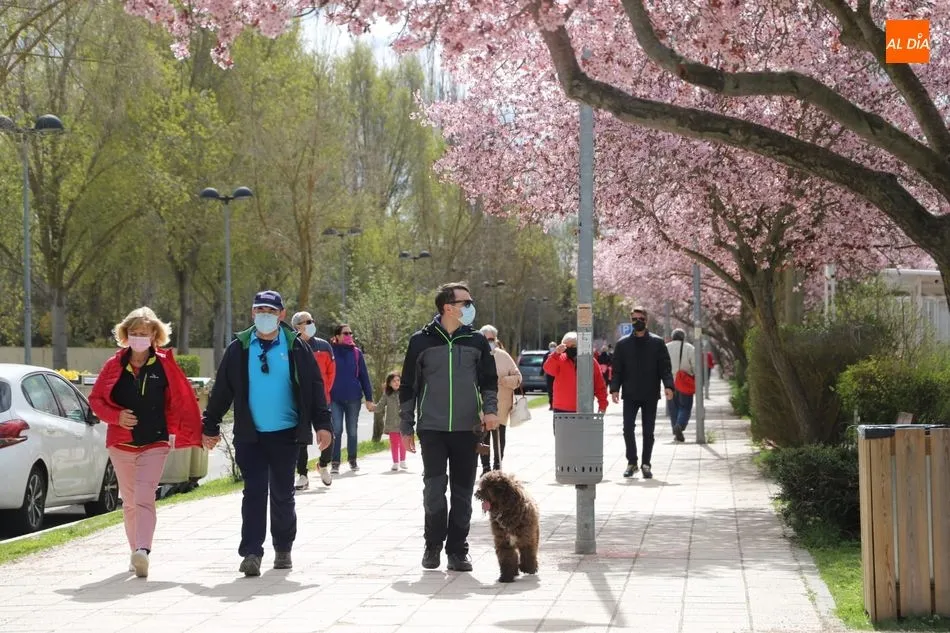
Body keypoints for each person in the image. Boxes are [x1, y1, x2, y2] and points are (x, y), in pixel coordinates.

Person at [201, 290, 332, 577]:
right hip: (251, 435)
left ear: (282, 315)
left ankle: (283, 547)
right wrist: (209, 426)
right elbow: (222, 390)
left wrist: (323, 424)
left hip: (286, 434)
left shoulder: (297, 346)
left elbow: (314, 388)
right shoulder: (239, 348)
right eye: (259, 310)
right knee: (254, 493)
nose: (264, 316)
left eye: (271, 311)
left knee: (283, 494)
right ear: (252, 313)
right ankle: (251, 552)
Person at [89, 307, 202, 578]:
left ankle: (143, 550)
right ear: (126, 335)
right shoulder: (114, 364)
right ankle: (135, 553)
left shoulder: (164, 365)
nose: (139, 337)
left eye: (144, 333)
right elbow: (95, 401)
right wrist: (116, 416)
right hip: (121, 443)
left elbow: (181, 399)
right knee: (128, 501)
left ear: (154, 335)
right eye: (134, 333)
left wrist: (193, 431)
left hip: (155, 441)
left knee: (144, 495)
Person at [399, 282, 499, 572]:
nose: (470, 307)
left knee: (462, 491)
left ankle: (458, 550)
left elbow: (488, 381)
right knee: (433, 489)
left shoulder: (477, 341)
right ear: (448, 307)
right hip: (432, 427)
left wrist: (490, 411)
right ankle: (432, 545)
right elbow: (408, 386)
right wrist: (406, 426)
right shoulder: (421, 341)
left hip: (468, 428)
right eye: (465, 303)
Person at [610, 307, 674, 480]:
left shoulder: (657, 343)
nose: (637, 322)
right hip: (629, 394)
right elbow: (617, 370)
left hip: (650, 393)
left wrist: (669, 386)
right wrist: (614, 389)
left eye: (641, 319)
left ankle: (646, 463)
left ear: (647, 321)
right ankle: (632, 462)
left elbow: (665, 368)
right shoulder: (622, 344)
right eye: (634, 319)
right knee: (628, 429)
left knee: (648, 431)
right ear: (630, 320)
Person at [291, 311, 336, 489]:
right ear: (297, 326)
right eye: (308, 321)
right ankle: (302, 474)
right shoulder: (292, 346)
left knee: (329, 434)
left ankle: (324, 464)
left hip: (321, 400)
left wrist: (323, 393)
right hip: (299, 401)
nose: (312, 324)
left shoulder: (324, 346)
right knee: (301, 439)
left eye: (312, 320)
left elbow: (331, 373)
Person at [329, 324, 375, 473]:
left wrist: (369, 398)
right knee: (336, 430)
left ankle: (352, 460)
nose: (349, 335)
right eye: (345, 333)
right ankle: (335, 462)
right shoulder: (330, 351)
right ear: (337, 336)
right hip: (335, 398)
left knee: (352, 431)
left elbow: (364, 377)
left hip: (354, 399)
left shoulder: (356, 353)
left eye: (350, 333)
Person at [478, 324, 522, 475]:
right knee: (483, 438)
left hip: (501, 406)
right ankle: (485, 468)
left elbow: (518, 377)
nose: (489, 341)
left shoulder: (503, 356)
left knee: (499, 438)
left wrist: (504, 380)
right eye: (486, 339)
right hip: (481, 406)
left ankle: (497, 467)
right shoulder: (475, 354)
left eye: (492, 339)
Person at [543, 332, 608, 425]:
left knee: (582, 439)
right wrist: (555, 354)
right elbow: (548, 369)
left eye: (573, 345)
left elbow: (599, 385)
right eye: (566, 346)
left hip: (584, 410)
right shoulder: (559, 359)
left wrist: (603, 405)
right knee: (562, 439)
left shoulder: (590, 361)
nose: (570, 348)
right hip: (561, 410)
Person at [666, 328, 696, 443]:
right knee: (685, 406)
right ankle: (680, 425)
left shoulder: (666, 347)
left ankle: (676, 430)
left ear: (673, 336)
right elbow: (694, 366)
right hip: (684, 382)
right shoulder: (690, 348)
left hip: (669, 383)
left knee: (673, 408)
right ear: (683, 337)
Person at [375, 372, 407, 471]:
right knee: (394, 443)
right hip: (391, 423)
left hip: (403, 422)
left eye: (398, 380)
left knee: (403, 443)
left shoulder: (404, 393)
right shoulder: (387, 394)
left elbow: (410, 405)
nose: (397, 382)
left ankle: (402, 461)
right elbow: (380, 406)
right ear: (389, 383)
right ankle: (395, 462)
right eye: (394, 381)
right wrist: (373, 407)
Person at [543, 341, 557, 410]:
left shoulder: (558, 355)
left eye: (554, 346)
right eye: (551, 346)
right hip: (549, 375)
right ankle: (551, 404)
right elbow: (544, 365)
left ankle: (555, 404)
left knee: (556, 390)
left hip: (556, 375)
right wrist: (542, 373)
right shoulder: (546, 355)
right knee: (550, 390)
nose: (552, 348)